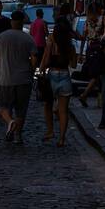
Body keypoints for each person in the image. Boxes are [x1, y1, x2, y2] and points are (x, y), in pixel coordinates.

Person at [0, 9, 36, 144]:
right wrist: (31, 72)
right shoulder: (28, 38)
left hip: (5, 79)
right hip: (24, 80)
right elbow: (34, 59)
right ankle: (18, 136)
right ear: (22, 22)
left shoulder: (2, 37)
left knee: (3, 107)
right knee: (21, 110)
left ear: (11, 22)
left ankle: (10, 122)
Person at [39, 16, 78, 147]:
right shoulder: (70, 46)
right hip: (65, 76)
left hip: (52, 75)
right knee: (63, 110)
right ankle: (62, 138)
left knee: (47, 105)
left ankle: (50, 131)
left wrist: (41, 69)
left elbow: (45, 58)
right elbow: (73, 65)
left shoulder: (51, 42)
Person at [77, 4, 104, 108]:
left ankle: (98, 99)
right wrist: (80, 53)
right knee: (96, 74)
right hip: (93, 50)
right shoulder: (87, 23)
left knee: (98, 74)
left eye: (90, 14)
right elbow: (84, 38)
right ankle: (85, 95)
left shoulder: (101, 22)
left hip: (98, 49)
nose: (89, 16)